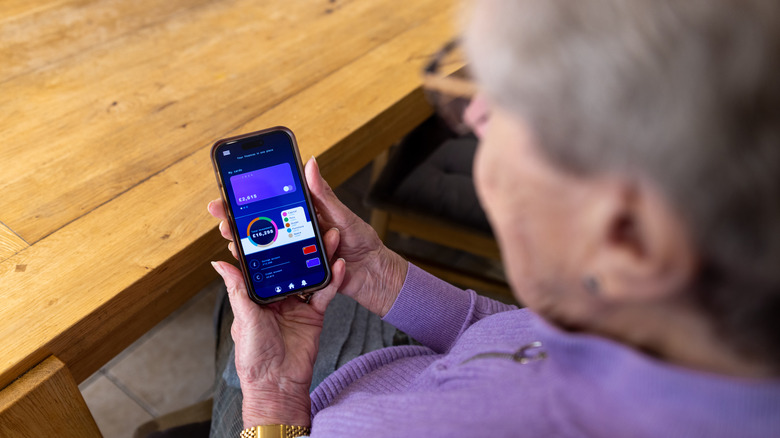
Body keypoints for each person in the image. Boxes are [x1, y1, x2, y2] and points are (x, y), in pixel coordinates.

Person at [207, 0, 780, 436]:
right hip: (422, 360)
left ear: (627, 239)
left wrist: (272, 398)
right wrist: (379, 273)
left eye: (508, 99)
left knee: (235, 298)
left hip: (309, 400)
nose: (475, 110)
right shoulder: (658, 325)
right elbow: (513, 336)